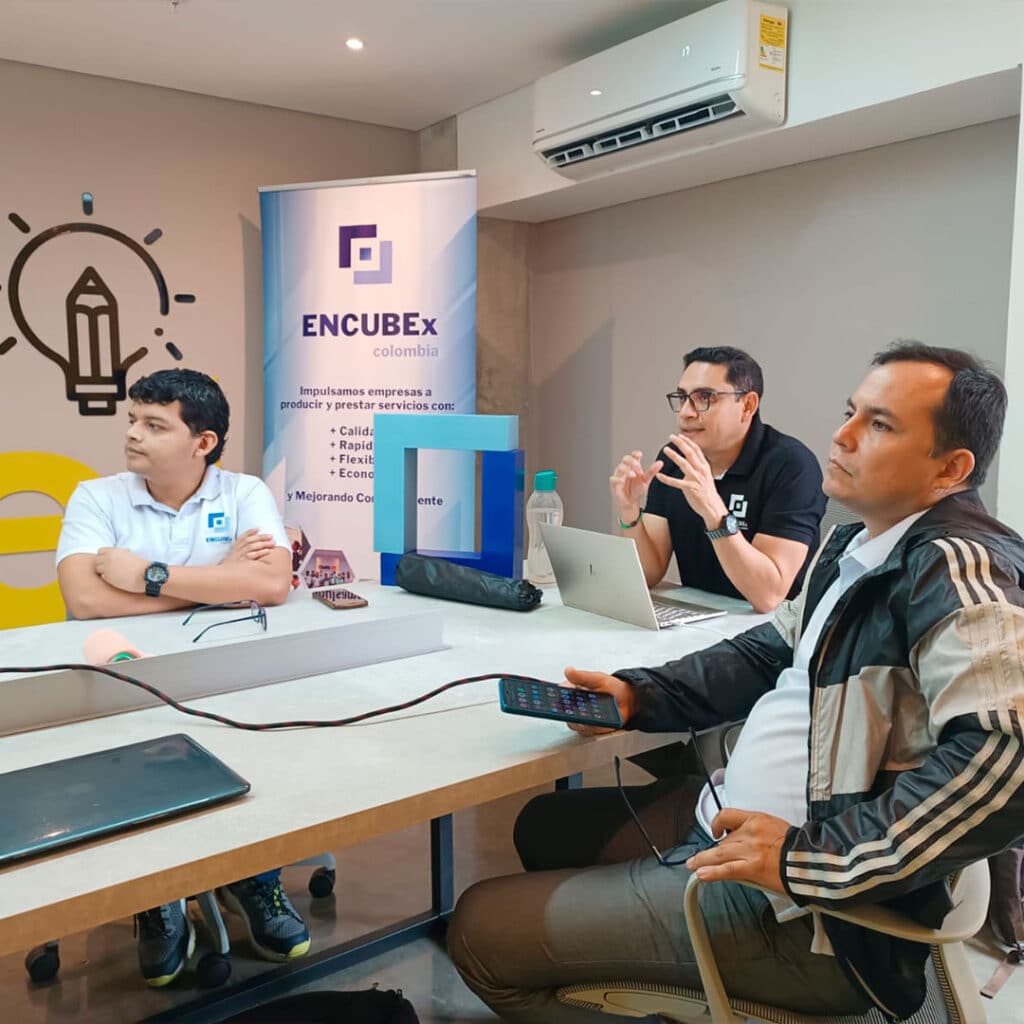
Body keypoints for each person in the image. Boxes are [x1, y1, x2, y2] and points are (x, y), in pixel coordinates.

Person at [449, 342, 1024, 1022]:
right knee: (547, 824)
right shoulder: (856, 546)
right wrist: (639, 694)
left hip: (805, 915)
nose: (841, 435)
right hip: (742, 831)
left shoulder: (956, 565)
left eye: (880, 425)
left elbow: (1006, 760)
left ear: (950, 468)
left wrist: (803, 860)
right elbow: (762, 653)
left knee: (478, 932)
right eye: (851, 412)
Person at [56, 368, 311, 987]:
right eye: (131, 420)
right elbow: (86, 602)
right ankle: (158, 897)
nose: (132, 436)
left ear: (204, 442)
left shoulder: (244, 491)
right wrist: (215, 582)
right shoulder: (97, 497)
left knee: (258, 756)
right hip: (124, 682)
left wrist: (147, 574)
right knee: (140, 773)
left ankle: (255, 874)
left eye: (153, 424)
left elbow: (272, 584)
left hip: (226, 674)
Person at [610, 346, 825, 613]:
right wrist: (630, 511)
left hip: (769, 631)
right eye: (682, 397)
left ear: (747, 405)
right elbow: (649, 574)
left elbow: (768, 596)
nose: (686, 412)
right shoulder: (676, 459)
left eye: (704, 398)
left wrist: (714, 511)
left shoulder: (792, 465)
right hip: (700, 617)